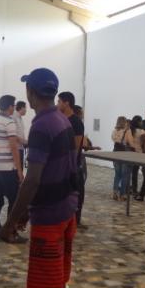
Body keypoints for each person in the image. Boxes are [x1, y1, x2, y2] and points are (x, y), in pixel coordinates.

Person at [0, 68, 78, 288]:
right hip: (65, 207)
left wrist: (10, 222)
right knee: (57, 275)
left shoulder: (43, 125)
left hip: (52, 214)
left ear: (31, 93)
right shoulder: (61, 119)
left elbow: (33, 179)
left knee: (52, 279)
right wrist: (27, 212)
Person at [0, 95, 25, 243]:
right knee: (15, 201)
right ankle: (10, 232)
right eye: (13, 105)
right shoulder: (9, 122)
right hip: (8, 168)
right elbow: (13, 147)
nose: (13, 108)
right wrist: (19, 170)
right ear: (10, 106)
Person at [57, 91, 86, 229]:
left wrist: (71, 166)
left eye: (59, 102)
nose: (57, 104)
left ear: (66, 103)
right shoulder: (58, 119)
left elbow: (76, 146)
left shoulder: (76, 122)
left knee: (76, 193)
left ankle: (76, 221)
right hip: (60, 164)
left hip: (72, 165)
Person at [111, 116, 129, 200]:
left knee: (117, 174)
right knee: (124, 174)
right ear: (124, 122)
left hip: (115, 152)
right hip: (124, 153)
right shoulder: (126, 131)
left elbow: (114, 140)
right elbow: (128, 142)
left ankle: (115, 192)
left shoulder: (114, 131)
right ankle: (122, 194)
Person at [128, 115, 145, 196]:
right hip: (138, 152)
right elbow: (143, 143)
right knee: (135, 172)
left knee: (128, 171)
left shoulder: (129, 130)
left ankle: (127, 188)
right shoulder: (141, 131)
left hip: (129, 152)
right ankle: (134, 190)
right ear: (139, 122)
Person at [13, 100, 28, 170]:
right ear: (21, 108)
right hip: (16, 148)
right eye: (25, 108)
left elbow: (20, 133)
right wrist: (24, 141)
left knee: (21, 168)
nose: (26, 110)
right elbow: (13, 134)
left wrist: (25, 141)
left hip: (20, 147)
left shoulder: (20, 118)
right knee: (17, 169)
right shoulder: (14, 117)